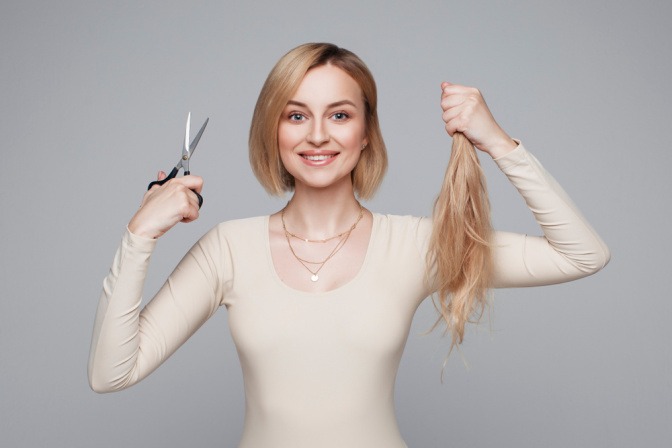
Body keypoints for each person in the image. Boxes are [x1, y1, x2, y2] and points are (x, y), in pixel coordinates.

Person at [88, 43, 610, 447]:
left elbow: (582, 253)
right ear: (273, 132)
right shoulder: (229, 248)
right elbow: (111, 374)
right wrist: (139, 237)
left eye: (339, 114)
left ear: (366, 134)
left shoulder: (417, 246)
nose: (317, 135)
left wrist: (497, 141)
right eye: (296, 115)